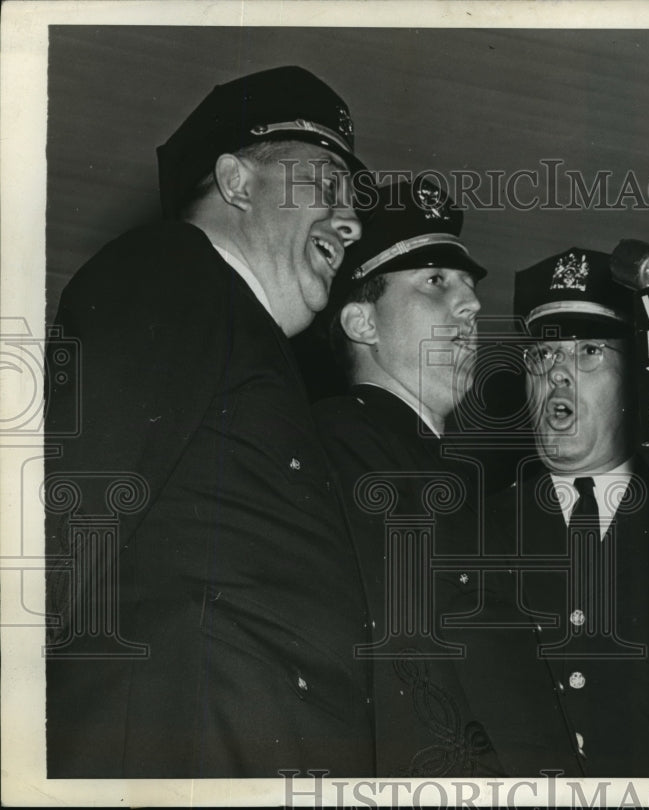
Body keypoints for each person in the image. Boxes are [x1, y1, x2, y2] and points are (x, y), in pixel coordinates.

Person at [44, 66, 374, 777]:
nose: (352, 219)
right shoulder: (174, 270)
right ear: (237, 182)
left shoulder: (262, 355)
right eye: (325, 182)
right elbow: (67, 506)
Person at [312, 179, 505, 777]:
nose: (471, 305)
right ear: (362, 323)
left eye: (469, 288)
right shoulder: (336, 449)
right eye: (436, 283)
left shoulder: (439, 470)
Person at [484, 248, 649, 776]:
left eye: (590, 352)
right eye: (543, 357)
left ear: (636, 383)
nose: (558, 375)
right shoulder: (474, 530)